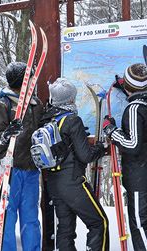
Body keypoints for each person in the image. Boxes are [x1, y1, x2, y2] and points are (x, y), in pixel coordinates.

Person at [42, 78, 109, 251]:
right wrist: (102, 147)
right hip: (73, 183)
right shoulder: (72, 120)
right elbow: (85, 156)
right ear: (70, 99)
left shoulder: (48, 119)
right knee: (99, 222)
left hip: (54, 184)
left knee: (65, 230)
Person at [102, 63, 147, 250]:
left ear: (129, 85)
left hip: (139, 178)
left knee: (141, 224)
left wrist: (111, 130)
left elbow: (132, 144)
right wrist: (127, 87)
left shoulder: (135, 108)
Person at [0, 61, 43, 250]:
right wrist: (6, 135)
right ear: (22, 81)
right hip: (10, 170)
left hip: (31, 170)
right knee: (7, 217)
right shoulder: (2, 105)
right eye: (31, 77)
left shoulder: (36, 104)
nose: (35, 81)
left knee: (31, 218)